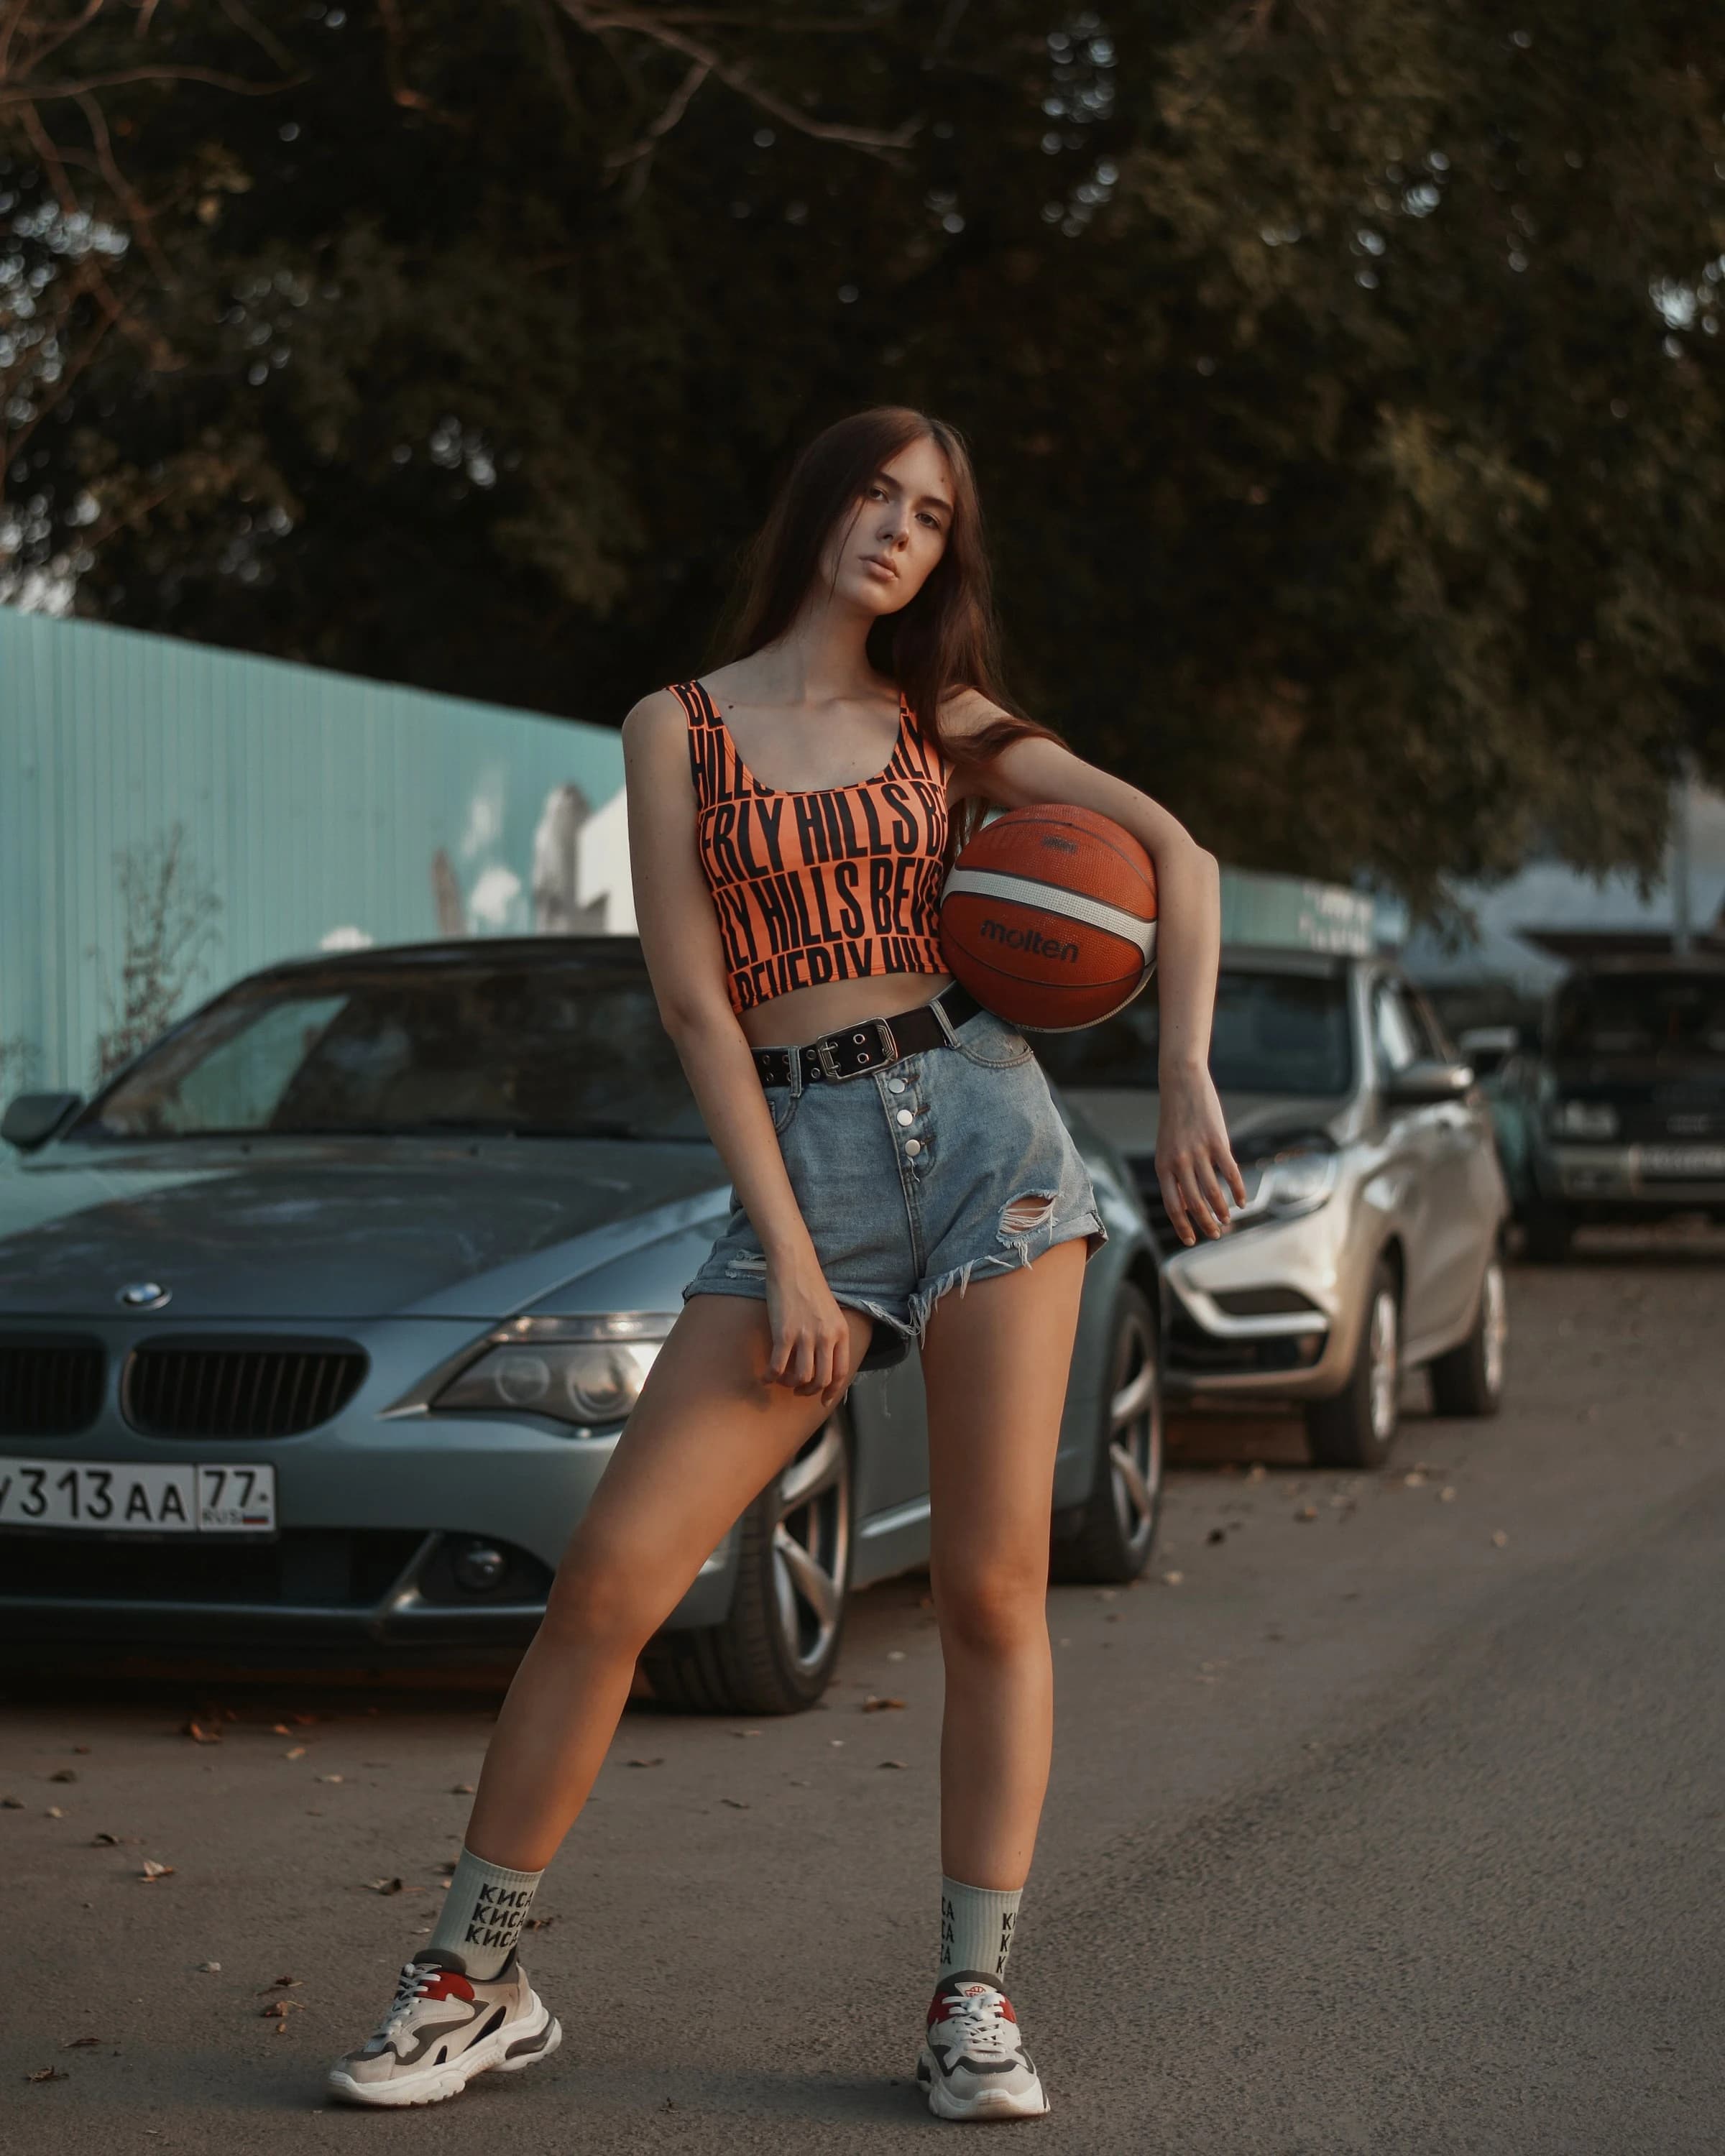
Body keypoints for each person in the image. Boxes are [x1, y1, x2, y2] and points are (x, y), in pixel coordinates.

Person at [327, 407, 1243, 2122]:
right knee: (611, 1583)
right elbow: (694, 1003)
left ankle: (972, 1998)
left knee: (989, 1592)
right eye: (877, 495)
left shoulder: (942, 721)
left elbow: (1177, 861)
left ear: (942, 557)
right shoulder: (675, 727)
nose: (897, 530)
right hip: (798, 1162)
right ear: (821, 506)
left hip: (991, 1147)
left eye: (931, 516)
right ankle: (474, 1972)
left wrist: (1181, 1064)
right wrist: (801, 1265)